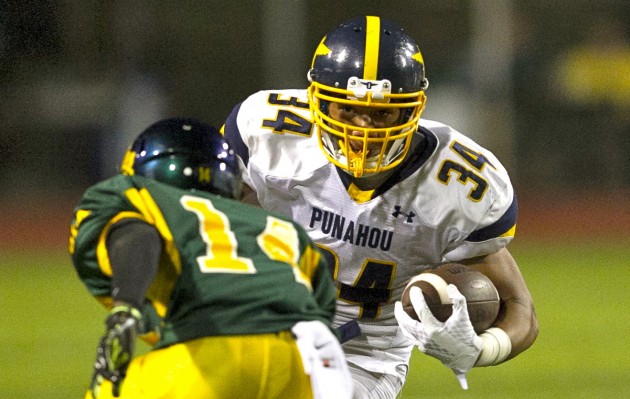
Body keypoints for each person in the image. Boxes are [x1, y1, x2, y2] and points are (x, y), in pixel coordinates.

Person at [221, 15, 538, 398]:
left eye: (381, 113)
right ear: (318, 100)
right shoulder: (269, 132)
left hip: (359, 357)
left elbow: (520, 308)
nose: (362, 128)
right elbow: (201, 218)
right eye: (347, 110)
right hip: (259, 322)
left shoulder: (457, 184)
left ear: (411, 110)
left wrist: (481, 349)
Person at [69, 117, 353, 399]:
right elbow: (321, 302)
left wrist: (127, 306)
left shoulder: (143, 199)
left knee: (107, 391)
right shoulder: (280, 226)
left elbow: (137, 235)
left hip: (217, 352)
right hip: (313, 360)